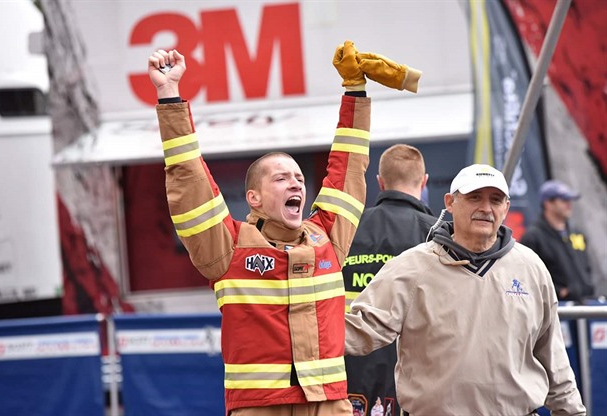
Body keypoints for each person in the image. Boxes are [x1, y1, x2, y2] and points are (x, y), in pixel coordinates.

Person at [148, 42, 421, 415]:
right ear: (254, 198)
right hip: (260, 407)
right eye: (281, 179)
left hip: (330, 404)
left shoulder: (327, 239)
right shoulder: (227, 248)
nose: (296, 184)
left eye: (298, 177)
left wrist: (355, 91)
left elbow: (348, 170)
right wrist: (169, 95)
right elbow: (189, 180)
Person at [344, 164, 586, 415]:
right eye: (474, 197)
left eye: (495, 199)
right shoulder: (412, 267)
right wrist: (302, 336)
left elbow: (554, 360)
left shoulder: (531, 268)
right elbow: (363, 328)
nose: (485, 208)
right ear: (450, 202)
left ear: (506, 208)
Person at [342, 144, 437, 415]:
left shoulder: (347, 229)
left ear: (380, 182)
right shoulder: (438, 235)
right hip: (413, 379)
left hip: (349, 373)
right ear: (425, 180)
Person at [521, 180, 594, 302]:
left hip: (585, 304)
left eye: (570, 200)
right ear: (548, 204)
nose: (569, 204)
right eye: (564, 200)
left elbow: (586, 268)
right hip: (557, 309)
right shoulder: (533, 237)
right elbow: (526, 276)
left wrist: (587, 286)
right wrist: (559, 292)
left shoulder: (577, 233)